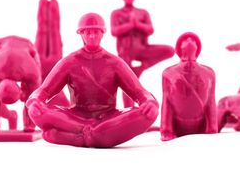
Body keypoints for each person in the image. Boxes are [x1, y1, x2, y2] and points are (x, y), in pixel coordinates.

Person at [27, 12, 158, 145]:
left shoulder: (115, 63)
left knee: (148, 113)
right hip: (75, 118)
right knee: (38, 112)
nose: (92, 36)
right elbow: (44, 90)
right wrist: (35, 101)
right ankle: (96, 136)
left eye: (96, 32)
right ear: (81, 34)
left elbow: (139, 92)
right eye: (88, 32)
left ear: (102, 33)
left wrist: (149, 102)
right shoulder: (69, 62)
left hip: (108, 118)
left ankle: (75, 137)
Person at [161, 34, 217, 138]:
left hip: (200, 127)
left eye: (193, 40)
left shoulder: (209, 73)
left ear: (198, 48)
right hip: (177, 128)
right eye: (185, 40)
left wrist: (212, 128)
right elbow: (166, 103)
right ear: (179, 48)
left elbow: (211, 102)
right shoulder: (168, 74)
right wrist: (166, 131)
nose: (189, 40)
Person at [110, 0, 174, 76]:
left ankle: (142, 67)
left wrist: (138, 24)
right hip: (125, 50)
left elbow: (150, 29)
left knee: (170, 51)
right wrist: (130, 25)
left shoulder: (143, 12)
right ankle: (131, 76)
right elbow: (114, 31)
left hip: (142, 48)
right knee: (126, 76)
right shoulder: (116, 13)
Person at [0, 36, 42, 132]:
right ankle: (29, 126)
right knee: (31, 99)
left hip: (12, 45)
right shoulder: (32, 73)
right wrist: (27, 90)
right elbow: (34, 98)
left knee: (32, 97)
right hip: (16, 47)